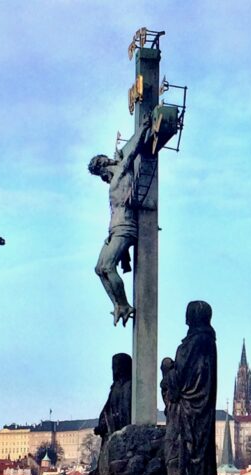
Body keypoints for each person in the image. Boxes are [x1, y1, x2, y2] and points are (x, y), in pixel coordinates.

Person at [161, 301, 226, 475]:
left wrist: (167, 368)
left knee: (181, 456)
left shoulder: (194, 343)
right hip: (200, 411)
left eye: (188, 313)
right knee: (195, 457)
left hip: (188, 411)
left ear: (194, 316)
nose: (185, 318)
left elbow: (177, 382)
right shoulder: (208, 341)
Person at [88, 124, 153, 325]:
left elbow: (133, 151)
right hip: (114, 229)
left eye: (101, 172)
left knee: (107, 266)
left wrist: (144, 129)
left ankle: (124, 304)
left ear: (105, 165)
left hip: (125, 226)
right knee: (99, 268)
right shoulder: (115, 177)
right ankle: (118, 304)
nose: (102, 179)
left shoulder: (121, 171)